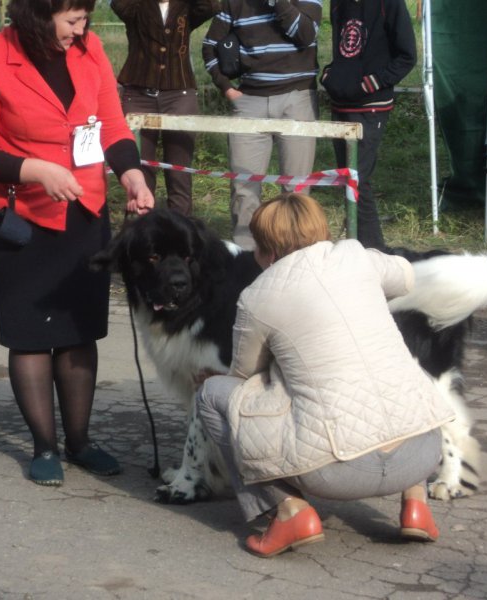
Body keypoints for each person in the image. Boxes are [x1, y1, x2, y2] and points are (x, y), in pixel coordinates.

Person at [0, 0, 155, 486]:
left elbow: (111, 124)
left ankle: (81, 442)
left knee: (78, 329)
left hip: (84, 208)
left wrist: (131, 174)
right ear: (36, 14)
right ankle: (44, 446)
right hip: (21, 216)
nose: (80, 29)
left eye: (84, 19)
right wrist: (37, 171)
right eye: (71, 20)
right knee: (30, 334)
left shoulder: (90, 53)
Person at [196, 192, 455, 558]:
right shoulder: (354, 255)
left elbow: (244, 377)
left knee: (214, 394)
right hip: (423, 454)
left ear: (265, 250)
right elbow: (406, 278)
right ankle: (416, 505)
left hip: (337, 472)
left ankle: (289, 512)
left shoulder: (257, 297)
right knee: (396, 379)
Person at [201, 0, 321, 250]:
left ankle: (292, 252)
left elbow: (305, 35)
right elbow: (210, 46)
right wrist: (227, 89)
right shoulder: (235, 3)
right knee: (244, 185)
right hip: (250, 101)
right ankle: (247, 254)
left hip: (297, 98)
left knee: (295, 186)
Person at [320, 0, 416, 250]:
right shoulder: (338, 3)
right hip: (341, 103)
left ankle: (373, 250)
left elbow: (407, 56)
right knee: (346, 179)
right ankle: (357, 245)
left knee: (358, 180)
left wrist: (373, 82)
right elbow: (344, 49)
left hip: (371, 105)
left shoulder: (390, 4)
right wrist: (332, 74)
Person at [111, 0, 218, 216]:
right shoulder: (136, 7)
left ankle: (180, 233)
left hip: (179, 94)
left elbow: (211, 6)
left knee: (179, 172)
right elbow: (117, 4)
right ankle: (142, 231)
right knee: (140, 168)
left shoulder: (187, 7)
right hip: (138, 93)